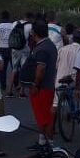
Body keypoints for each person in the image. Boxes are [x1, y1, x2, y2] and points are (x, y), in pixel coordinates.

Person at [26, 20, 58, 148]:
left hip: (43, 87)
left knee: (44, 116)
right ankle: (43, 141)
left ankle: (48, 143)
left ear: (34, 33)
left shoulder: (42, 48)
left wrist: (35, 84)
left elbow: (40, 69)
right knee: (43, 116)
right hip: (48, 85)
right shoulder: (49, 45)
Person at [52, 30, 80, 126]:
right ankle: (77, 111)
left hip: (60, 79)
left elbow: (56, 65)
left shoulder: (62, 49)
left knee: (55, 104)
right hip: (74, 80)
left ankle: (52, 127)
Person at [6, 12, 34, 98]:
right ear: (30, 18)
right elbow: (32, 38)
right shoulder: (30, 26)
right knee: (23, 69)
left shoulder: (15, 23)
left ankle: (9, 91)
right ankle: (21, 92)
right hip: (24, 49)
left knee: (14, 69)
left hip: (14, 48)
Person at [0, 11, 13, 91]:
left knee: (2, 68)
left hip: (2, 48)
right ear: (9, 17)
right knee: (14, 68)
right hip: (12, 48)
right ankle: (16, 84)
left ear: (1, 17)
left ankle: (3, 85)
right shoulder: (13, 26)